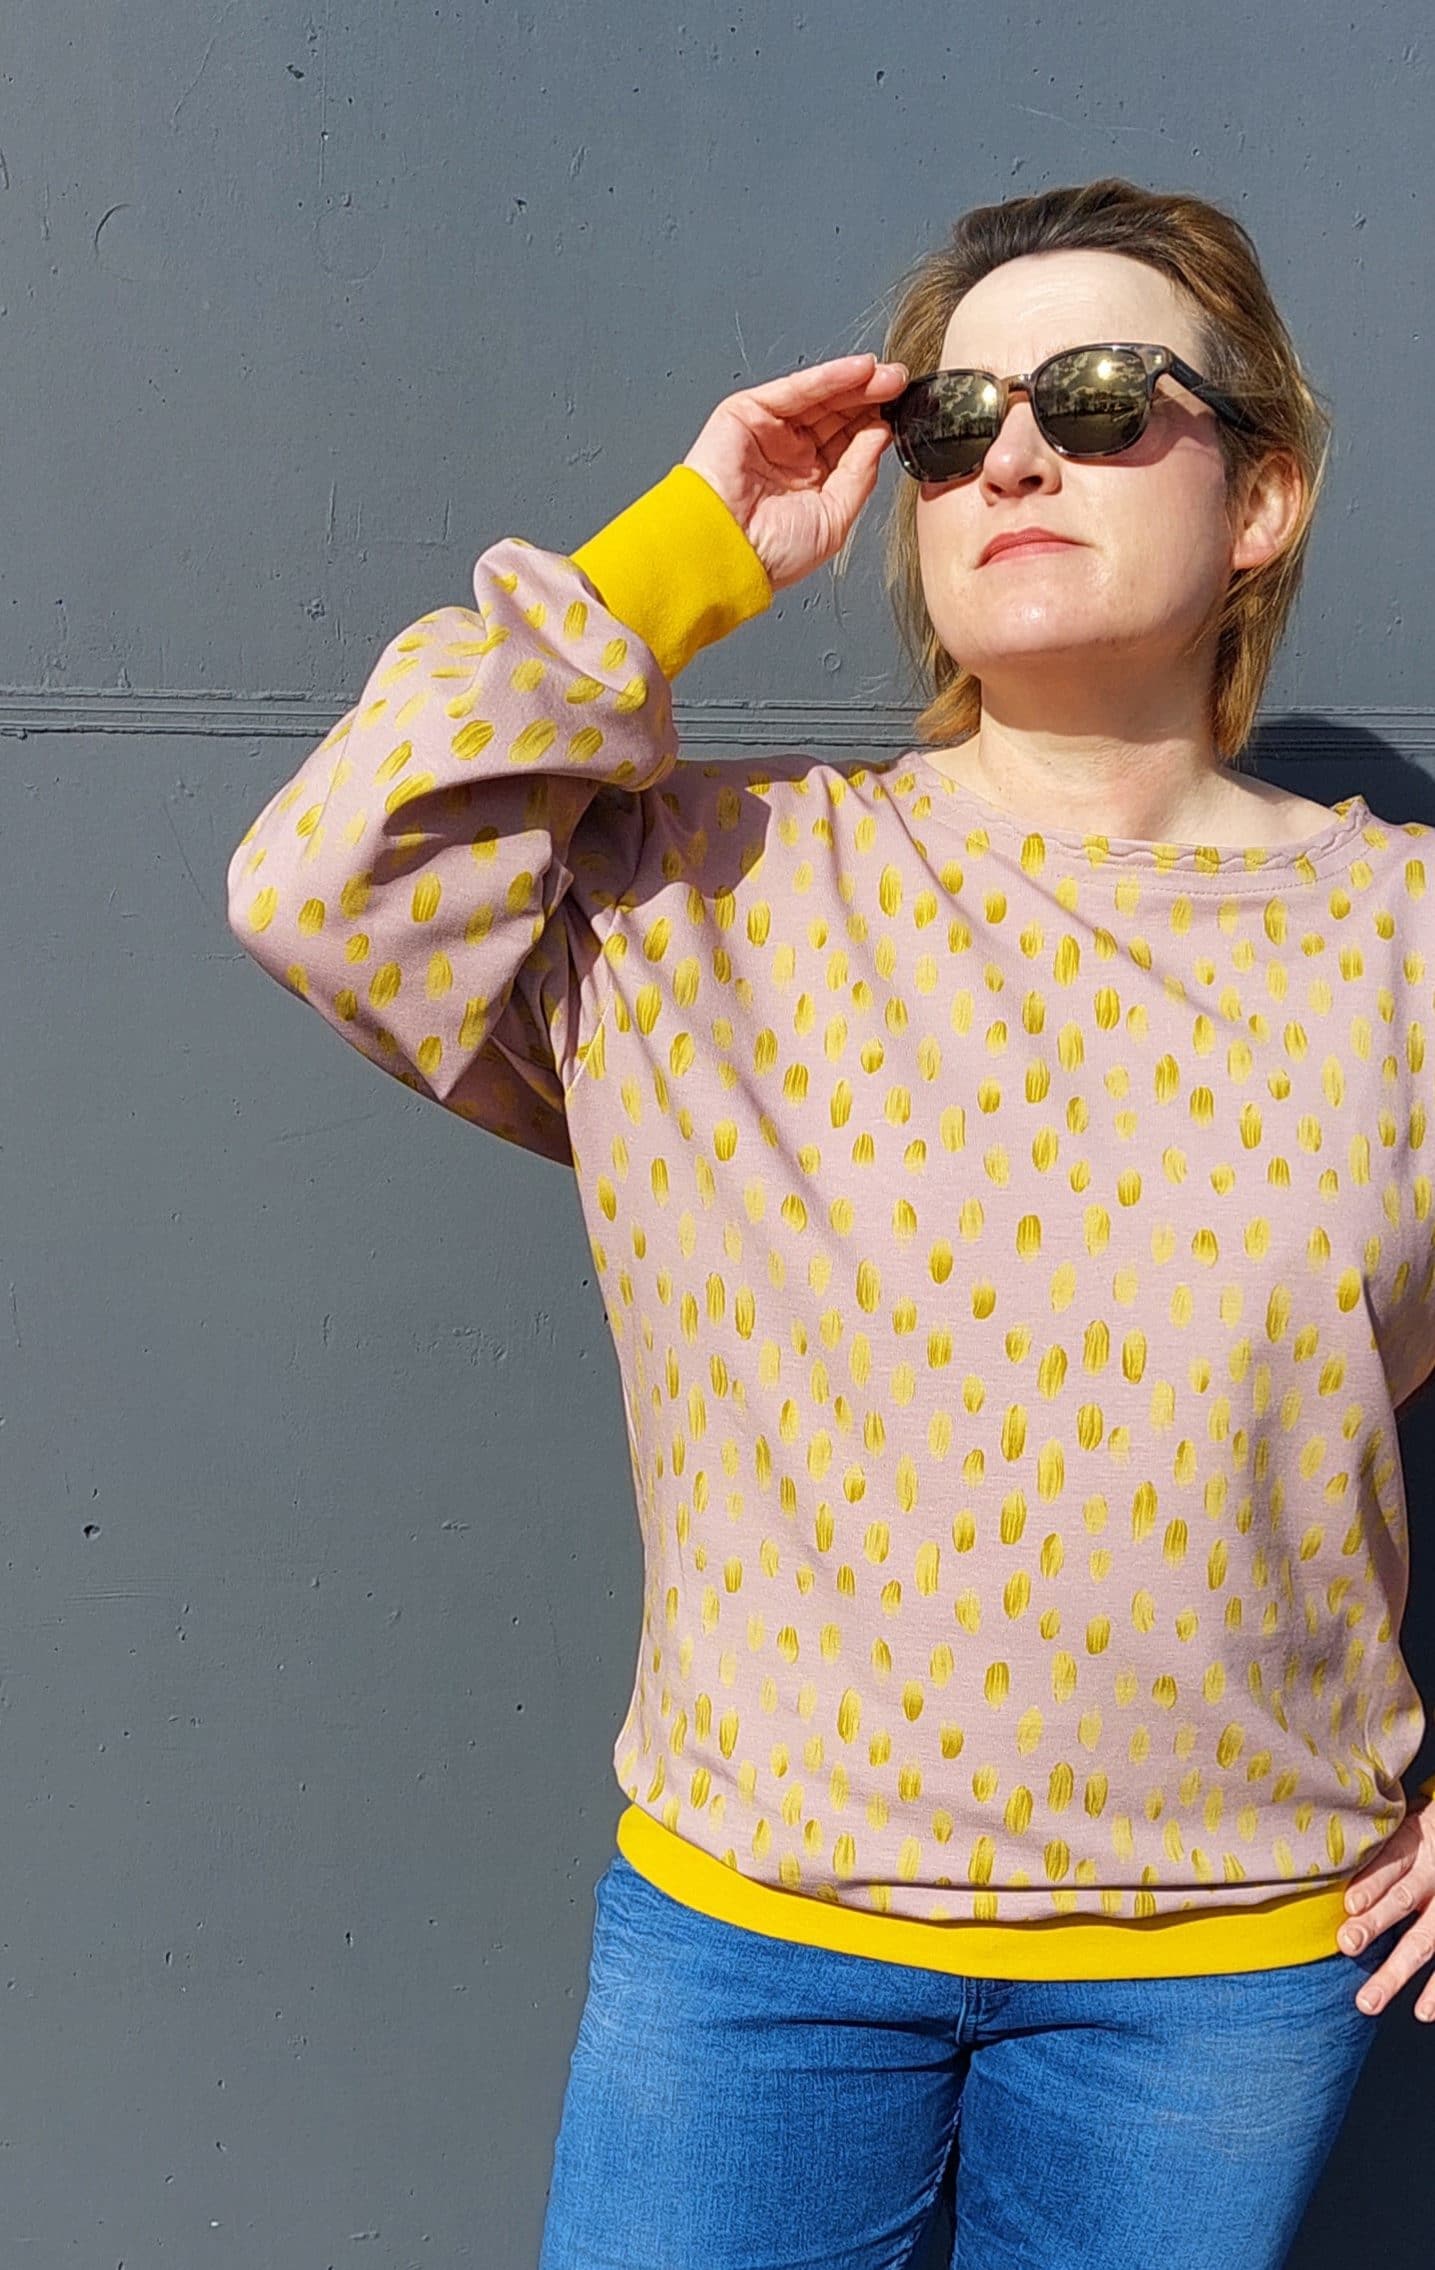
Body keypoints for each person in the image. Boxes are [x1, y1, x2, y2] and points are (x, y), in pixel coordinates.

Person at [226, 176, 1435, 2268]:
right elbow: (323, 879)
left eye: (1100, 396)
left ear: (1261, 497)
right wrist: (688, 549)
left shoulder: (1402, 940)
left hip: (1228, 1971)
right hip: (752, 1945)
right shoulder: (698, 886)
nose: (1015, 455)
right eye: (955, 423)